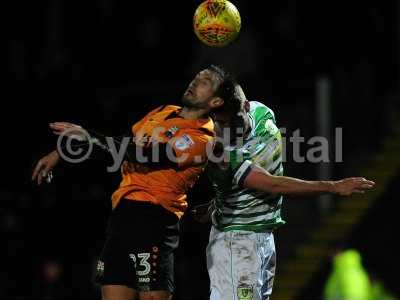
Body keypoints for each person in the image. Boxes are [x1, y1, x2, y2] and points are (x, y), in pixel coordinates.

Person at [31, 65, 240, 300]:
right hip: (121, 215)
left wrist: (89, 135)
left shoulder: (203, 138)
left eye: (204, 82)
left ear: (216, 102)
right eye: (196, 77)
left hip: (155, 219)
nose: (194, 82)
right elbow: (121, 146)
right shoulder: (162, 111)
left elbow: (149, 156)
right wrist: (64, 152)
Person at [194, 85, 375, 300]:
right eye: (220, 123)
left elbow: (260, 172)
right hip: (238, 241)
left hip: (263, 236)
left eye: (229, 120)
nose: (225, 128)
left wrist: (217, 203)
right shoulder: (221, 150)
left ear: (245, 106)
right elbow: (273, 184)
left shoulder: (262, 112)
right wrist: (334, 186)